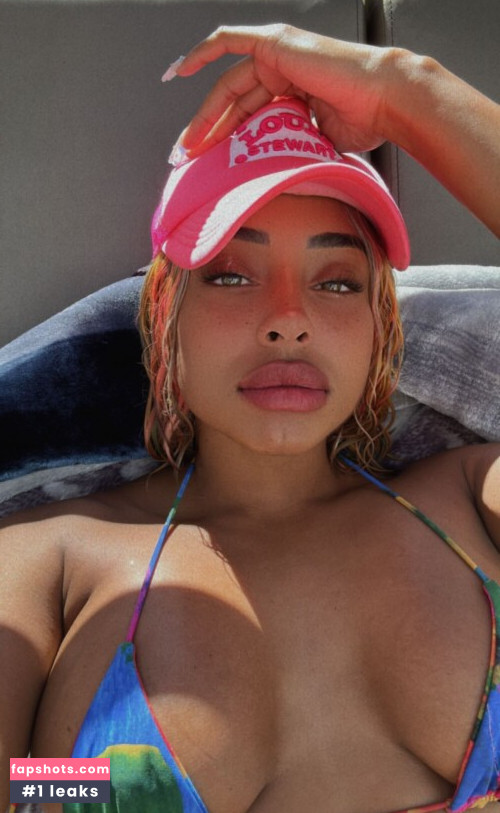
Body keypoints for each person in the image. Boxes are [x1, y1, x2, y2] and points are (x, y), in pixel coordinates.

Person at [1, 23, 499, 813]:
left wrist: (407, 88)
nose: (288, 319)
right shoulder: (46, 561)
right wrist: (90, 789)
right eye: (233, 274)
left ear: (381, 328)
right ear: (165, 314)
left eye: (336, 281)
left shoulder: (474, 500)